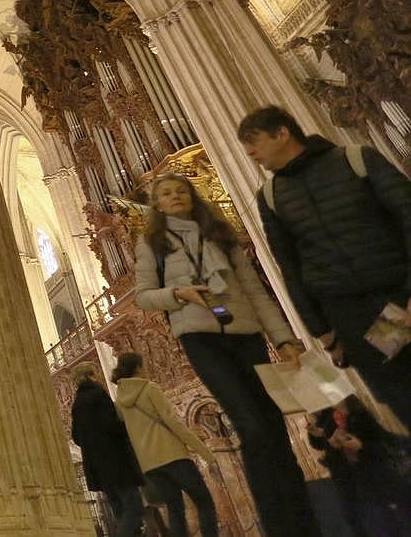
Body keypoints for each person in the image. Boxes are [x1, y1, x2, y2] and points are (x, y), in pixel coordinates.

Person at [134, 172, 318, 535]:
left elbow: (254, 291)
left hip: (245, 331)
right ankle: (277, 523)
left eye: (181, 191)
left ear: (192, 196)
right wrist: (178, 294)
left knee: (273, 425)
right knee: (250, 424)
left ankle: (304, 521)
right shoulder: (152, 242)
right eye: (166, 193)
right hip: (200, 337)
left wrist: (283, 338)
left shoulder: (220, 234)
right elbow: (143, 295)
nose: (175, 197)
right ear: (157, 204)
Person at [238, 106, 411, 428]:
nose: (249, 152)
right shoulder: (271, 196)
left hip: (398, 293)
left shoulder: (356, 159)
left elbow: (407, 216)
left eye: (253, 140)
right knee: (399, 393)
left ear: (282, 132)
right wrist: (323, 333)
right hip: (349, 313)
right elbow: (290, 267)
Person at [110, 352, 218, 537]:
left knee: (175, 509)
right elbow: (173, 422)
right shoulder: (149, 388)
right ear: (137, 367)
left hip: (150, 465)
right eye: (142, 366)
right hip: (173, 455)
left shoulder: (120, 401)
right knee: (204, 501)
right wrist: (205, 452)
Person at [311, 396, 411, 535]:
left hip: (377, 479)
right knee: (362, 521)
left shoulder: (361, 417)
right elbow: (325, 447)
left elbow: (386, 446)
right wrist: (332, 444)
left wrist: (361, 447)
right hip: (351, 482)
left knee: (388, 521)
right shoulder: (331, 420)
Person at [68, 365, 141, 537]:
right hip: (116, 461)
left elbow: (77, 436)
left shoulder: (77, 403)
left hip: (98, 467)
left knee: (119, 511)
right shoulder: (98, 395)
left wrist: (92, 445)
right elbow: (111, 425)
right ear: (92, 376)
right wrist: (127, 428)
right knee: (134, 508)